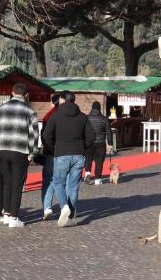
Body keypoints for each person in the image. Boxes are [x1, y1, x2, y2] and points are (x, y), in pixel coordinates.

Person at [42, 90, 94, 227]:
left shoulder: (56, 116)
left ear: (62, 100)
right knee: (73, 186)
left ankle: (64, 206)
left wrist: (54, 148)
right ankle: (70, 215)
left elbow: (46, 135)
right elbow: (91, 136)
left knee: (59, 182)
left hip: (61, 154)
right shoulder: (83, 117)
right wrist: (83, 147)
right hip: (78, 155)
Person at [0, 83, 39, 228]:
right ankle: (14, 217)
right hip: (20, 150)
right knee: (17, 184)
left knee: (7, 182)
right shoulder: (29, 111)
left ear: (12, 92)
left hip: (2, 150)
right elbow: (34, 135)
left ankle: (5, 215)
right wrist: (32, 153)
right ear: (25, 95)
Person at [40, 93, 61, 220]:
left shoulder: (48, 116)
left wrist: (48, 147)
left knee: (48, 180)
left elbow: (44, 135)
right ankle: (68, 206)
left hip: (50, 153)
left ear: (52, 103)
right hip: (66, 152)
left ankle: (47, 207)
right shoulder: (69, 114)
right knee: (66, 181)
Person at [84, 101, 113, 185]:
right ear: (99, 109)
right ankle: (98, 179)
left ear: (92, 108)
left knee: (88, 159)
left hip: (89, 142)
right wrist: (110, 144)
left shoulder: (87, 118)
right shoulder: (104, 119)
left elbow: (84, 130)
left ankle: (88, 173)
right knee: (99, 161)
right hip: (100, 143)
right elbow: (109, 132)